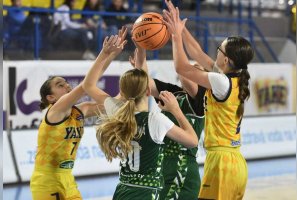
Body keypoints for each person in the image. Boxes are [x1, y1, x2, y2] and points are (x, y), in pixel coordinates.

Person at [82, 29, 198, 200]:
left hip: (122, 190)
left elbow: (88, 85)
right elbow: (192, 141)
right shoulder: (155, 119)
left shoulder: (117, 109)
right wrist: (176, 111)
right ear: (148, 92)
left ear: (121, 90)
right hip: (146, 193)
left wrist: (105, 53)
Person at [163, 1, 254, 199]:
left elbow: (181, 68)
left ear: (226, 60)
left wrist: (175, 37)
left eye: (219, 50)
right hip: (235, 161)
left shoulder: (221, 81)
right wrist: (181, 27)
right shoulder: (232, 77)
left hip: (222, 163)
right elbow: (197, 53)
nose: (215, 53)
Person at [29, 29, 129, 199]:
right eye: (60, 85)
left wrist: (131, 87)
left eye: (67, 83)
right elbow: (86, 85)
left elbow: (113, 105)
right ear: (51, 97)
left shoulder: (80, 111)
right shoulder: (55, 110)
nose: (67, 86)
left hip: (68, 178)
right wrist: (105, 54)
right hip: (47, 179)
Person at [129, 43, 206, 200]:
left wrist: (175, 35)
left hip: (182, 168)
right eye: (193, 67)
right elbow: (145, 85)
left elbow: (183, 72)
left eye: (197, 70)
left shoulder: (201, 98)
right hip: (162, 166)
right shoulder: (174, 92)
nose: (193, 69)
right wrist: (142, 48)